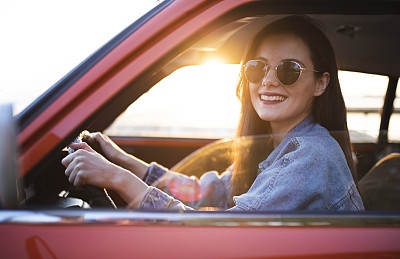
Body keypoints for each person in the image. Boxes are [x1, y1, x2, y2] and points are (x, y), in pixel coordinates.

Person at [62, 15, 365, 211]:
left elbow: (222, 235)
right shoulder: (277, 147)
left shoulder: (313, 155)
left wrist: (117, 178)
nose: (268, 80)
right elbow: (208, 193)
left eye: (289, 69)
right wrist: (122, 160)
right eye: (257, 68)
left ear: (320, 84)